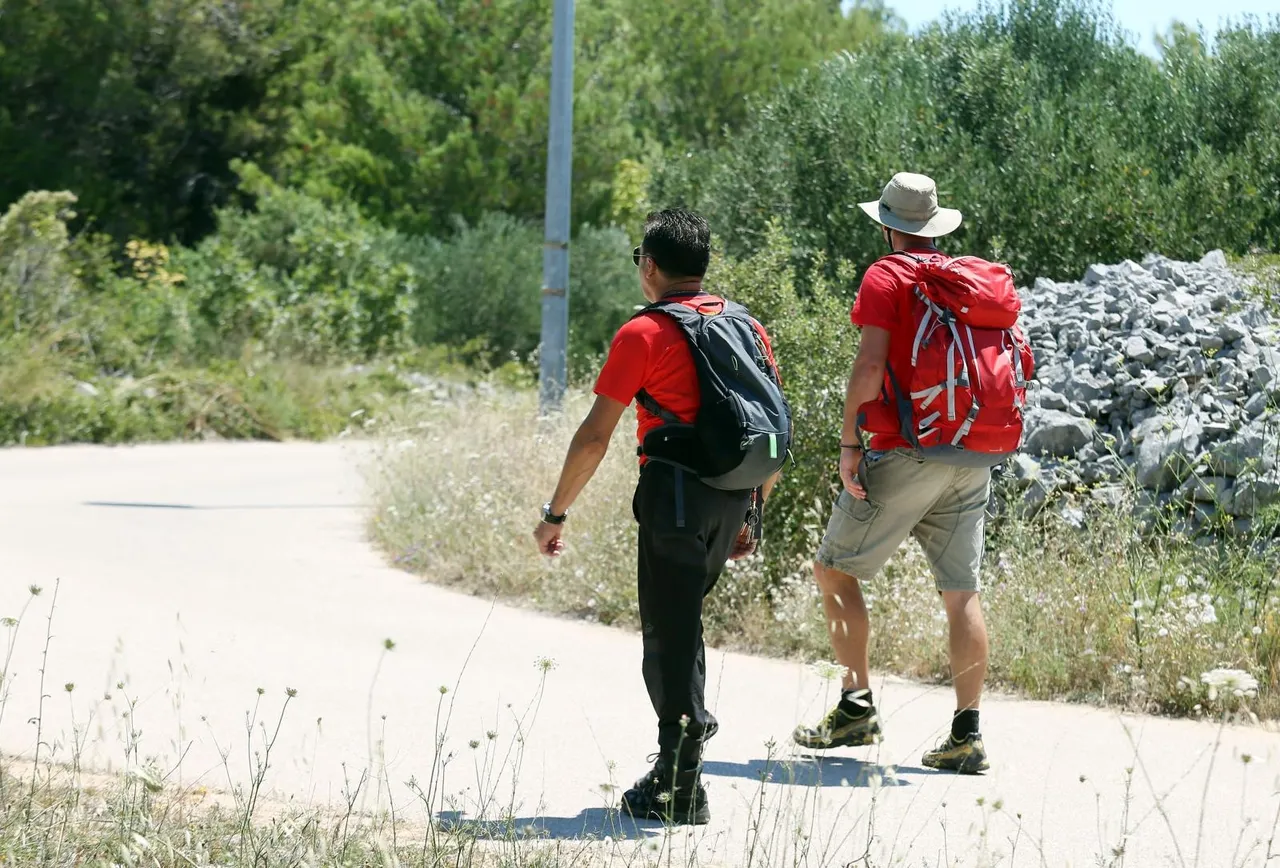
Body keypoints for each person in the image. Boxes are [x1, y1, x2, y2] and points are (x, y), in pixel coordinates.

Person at [533, 208, 785, 823]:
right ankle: (685, 748)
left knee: (666, 635)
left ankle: (678, 785)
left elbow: (595, 436)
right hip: (732, 495)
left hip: (676, 496)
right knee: (684, 625)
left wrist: (555, 512)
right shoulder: (746, 326)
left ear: (649, 264)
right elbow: (772, 427)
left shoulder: (642, 334)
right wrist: (753, 513)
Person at [791, 172, 1003, 774]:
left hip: (905, 450)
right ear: (934, 227)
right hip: (972, 455)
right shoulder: (967, 280)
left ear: (888, 227)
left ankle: (855, 707)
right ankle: (967, 734)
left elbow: (869, 366)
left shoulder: (887, 275)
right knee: (961, 591)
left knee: (834, 569)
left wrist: (848, 441)